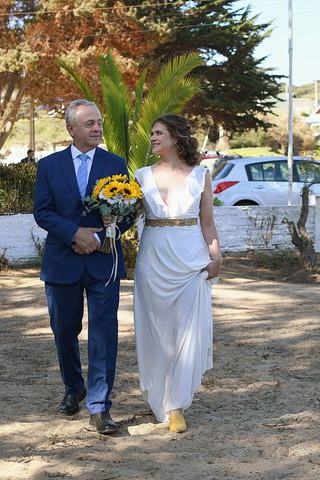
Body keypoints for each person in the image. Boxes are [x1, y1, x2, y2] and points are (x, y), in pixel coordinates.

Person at [33, 99, 131, 435]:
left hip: (104, 262)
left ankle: (100, 406)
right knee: (63, 330)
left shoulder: (116, 163)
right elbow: (42, 212)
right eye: (89, 123)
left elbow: (129, 210)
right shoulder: (49, 166)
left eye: (99, 122)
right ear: (71, 128)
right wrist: (74, 233)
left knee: (104, 334)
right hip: (62, 262)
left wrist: (101, 234)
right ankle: (74, 388)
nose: (97, 128)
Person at [133, 114, 222, 433]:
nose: (152, 138)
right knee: (156, 333)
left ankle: (176, 406)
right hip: (152, 262)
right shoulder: (140, 176)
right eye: (152, 133)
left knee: (186, 332)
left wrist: (216, 254)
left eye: (158, 133)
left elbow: (208, 222)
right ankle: (159, 398)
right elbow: (126, 216)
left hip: (189, 261)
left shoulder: (201, 175)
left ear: (176, 137)